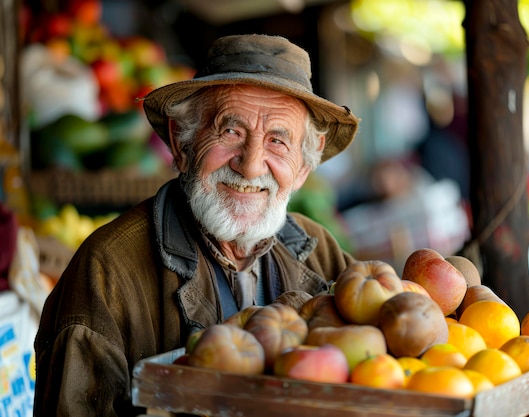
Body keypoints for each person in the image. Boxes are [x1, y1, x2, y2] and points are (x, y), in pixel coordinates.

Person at [33, 34, 359, 416]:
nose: (251, 165)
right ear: (183, 143)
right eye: (230, 131)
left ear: (303, 168)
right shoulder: (107, 270)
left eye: (277, 141)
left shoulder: (319, 251)